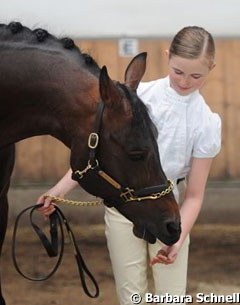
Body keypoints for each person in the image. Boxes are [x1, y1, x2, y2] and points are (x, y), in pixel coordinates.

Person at [37, 26, 221, 305]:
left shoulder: (206, 122)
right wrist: (59, 190)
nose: (185, 81)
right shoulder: (138, 98)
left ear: (211, 69)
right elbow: (98, 155)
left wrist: (179, 238)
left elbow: (195, 194)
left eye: (196, 75)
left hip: (168, 210)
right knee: (131, 296)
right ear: (167, 56)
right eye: (178, 71)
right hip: (124, 206)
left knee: (171, 297)